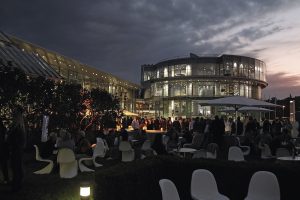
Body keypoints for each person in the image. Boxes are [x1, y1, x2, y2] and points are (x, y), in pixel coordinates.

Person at [8, 107, 26, 192]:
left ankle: (17, 185)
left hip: (16, 150)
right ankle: (17, 184)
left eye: (14, 115)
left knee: (16, 167)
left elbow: (19, 141)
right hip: (16, 150)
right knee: (16, 167)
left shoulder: (18, 127)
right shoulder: (17, 127)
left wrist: (11, 143)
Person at [0, 118, 9, 184]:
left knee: (4, 165)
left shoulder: (3, 129)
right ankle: (6, 179)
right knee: (4, 165)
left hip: (2, 149)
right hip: (3, 149)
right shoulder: (3, 129)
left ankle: (6, 179)